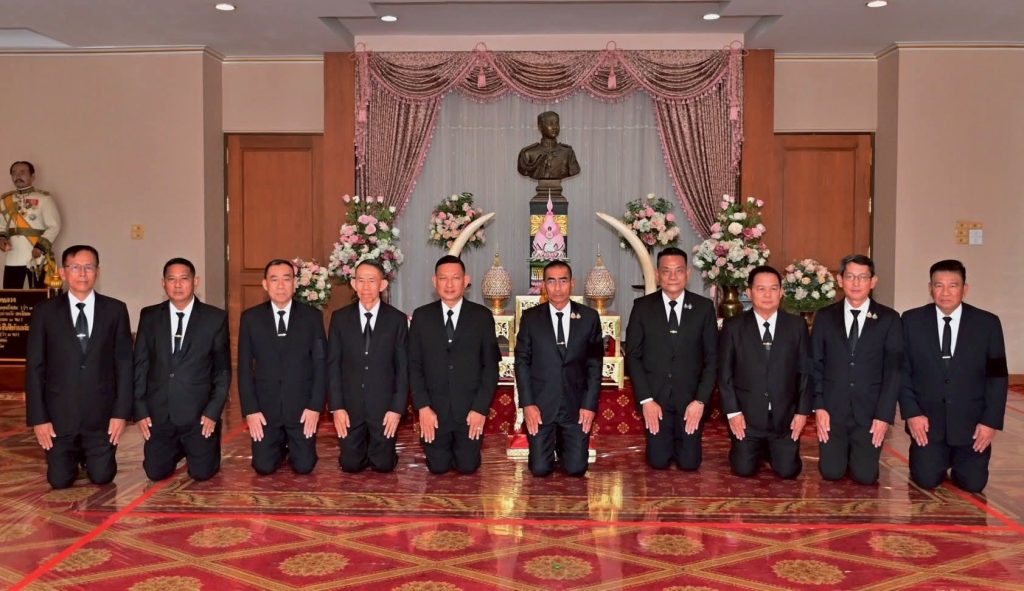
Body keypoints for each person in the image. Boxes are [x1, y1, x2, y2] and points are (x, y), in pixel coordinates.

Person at [25, 245, 132, 489]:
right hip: (60, 418)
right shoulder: (45, 312)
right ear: (63, 273)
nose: (82, 273)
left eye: (88, 267)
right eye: (75, 267)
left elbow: (124, 364)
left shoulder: (115, 310)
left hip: (101, 418)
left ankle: (90, 455)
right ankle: (73, 455)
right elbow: (35, 367)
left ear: (98, 272)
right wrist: (39, 419)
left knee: (102, 476)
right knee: (60, 481)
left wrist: (121, 414)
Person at [899, 259, 1007, 493]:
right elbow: (902, 372)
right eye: (938, 285)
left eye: (953, 285)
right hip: (928, 425)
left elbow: (998, 377)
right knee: (926, 480)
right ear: (930, 288)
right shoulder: (910, 321)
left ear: (964, 289)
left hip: (971, 425)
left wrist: (990, 422)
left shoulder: (987, 324)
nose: (945, 292)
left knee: (973, 484)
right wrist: (912, 414)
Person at [133, 258, 230, 482]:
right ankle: (177, 449)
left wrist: (213, 412)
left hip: (198, 415)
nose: (177, 285)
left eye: (184, 279)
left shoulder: (215, 318)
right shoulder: (149, 317)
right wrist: (140, 410)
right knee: (155, 472)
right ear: (163, 283)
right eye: (171, 279)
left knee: (202, 473)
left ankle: (203, 445)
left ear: (195, 282)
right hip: (161, 413)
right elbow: (140, 365)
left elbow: (222, 371)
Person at [811, 254, 902, 485]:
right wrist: (819, 406)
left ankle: (858, 454)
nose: (856, 283)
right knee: (831, 472)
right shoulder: (825, 316)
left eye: (863, 277)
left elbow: (893, 371)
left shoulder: (889, 319)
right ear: (840, 280)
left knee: (865, 476)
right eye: (850, 276)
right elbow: (815, 364)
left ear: (873, 282)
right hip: (833, 411)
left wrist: (883, 416)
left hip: (869, 413)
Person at [625, 247, 717, 470]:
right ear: (657, 275)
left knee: (689, 464)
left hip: (690, 401)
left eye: (679, 271)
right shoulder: (642, 307)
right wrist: (646, 400)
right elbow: (633, 356)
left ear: (688, 274)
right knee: (658, 461)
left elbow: (712, 358)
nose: (673, 277)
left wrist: (700, 401)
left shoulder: (703, 308)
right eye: (666, 271)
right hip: (656, 400)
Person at [409, 255, 499, 475]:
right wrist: (423, 408)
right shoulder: (421, 316)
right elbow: (413, 366)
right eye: (443, 278)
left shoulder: (482, 316)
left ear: (466, 280)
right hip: (434, 411)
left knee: (467, 467)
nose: (449, 284)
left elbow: (490, 368)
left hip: (469, 411)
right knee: (438, 468)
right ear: (434, 281)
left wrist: (479, 409)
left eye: (456, 278)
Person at [719, 265, 810, 479]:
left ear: (781, 292)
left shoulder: (796, 326)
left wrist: (802, 412)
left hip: (784, 418)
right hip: (747, 418)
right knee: (743, 469)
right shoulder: (733, 327)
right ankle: (755, 448)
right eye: (761, 289)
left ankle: (771, 449)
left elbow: (805, 372)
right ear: (749, 293)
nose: (767, 295)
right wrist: (733, 413)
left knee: (788, 471)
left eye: (773, 289)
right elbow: (724, 374)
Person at [515, 261, 604, 477]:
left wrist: (589, 405)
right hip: (542, 405)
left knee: (576, 469)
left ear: (572, 283)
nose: (557, 287)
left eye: (563, 281)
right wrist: (528, 404)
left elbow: (595, 365)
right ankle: (549, 445)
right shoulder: (530, 318)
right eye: (551, 281)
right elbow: (522, 362)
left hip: (576, 405)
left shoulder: (589, 318)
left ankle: (564, 444)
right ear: (544, 285)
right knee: (540, 469)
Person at [237, 259, 326, 475]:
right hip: (266, 410)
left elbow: (321, 364)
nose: (280, 285)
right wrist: (251, 410)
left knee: (304, 466)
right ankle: (279, 446)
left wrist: (315, 407)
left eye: (286, 279)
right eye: (274, 279)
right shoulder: (250, 318)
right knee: (263, 467)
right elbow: (244, 368)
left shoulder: (312, 317)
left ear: (295, 283)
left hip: (301, 409)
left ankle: (292, 444)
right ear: (265, 284)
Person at [328, 259, 408, 473]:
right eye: (361, 280)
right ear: (353, 284)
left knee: (383, 465)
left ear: (383, 285)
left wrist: (396, 409)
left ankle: (380, 448)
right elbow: (333, 365)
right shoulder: (340, 318)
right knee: (350, 465)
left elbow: (402, 369)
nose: (366, 286)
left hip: (383, 406)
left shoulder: (397, 320)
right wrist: (337, 407)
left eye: (372, 281)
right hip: (350, 405)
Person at [2, 161, 62, 288]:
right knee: (11, 298)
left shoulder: (44, 199)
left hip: (37, 256)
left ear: (32, 176)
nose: (18, 176)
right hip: (13, 257)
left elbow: (54, 225)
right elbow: (1, 226)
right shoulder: (4, 200)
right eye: (14, 173)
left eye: (22, 172)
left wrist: (40, 247)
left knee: (39, 297)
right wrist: (2, 238)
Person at [517, 111, 581, 181]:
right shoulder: (528, 153)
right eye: (550, 124)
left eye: (557, 123)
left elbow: (574, 170)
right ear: (540, 126)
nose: (555, 127)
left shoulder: (567, 152)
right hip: (541, 186)